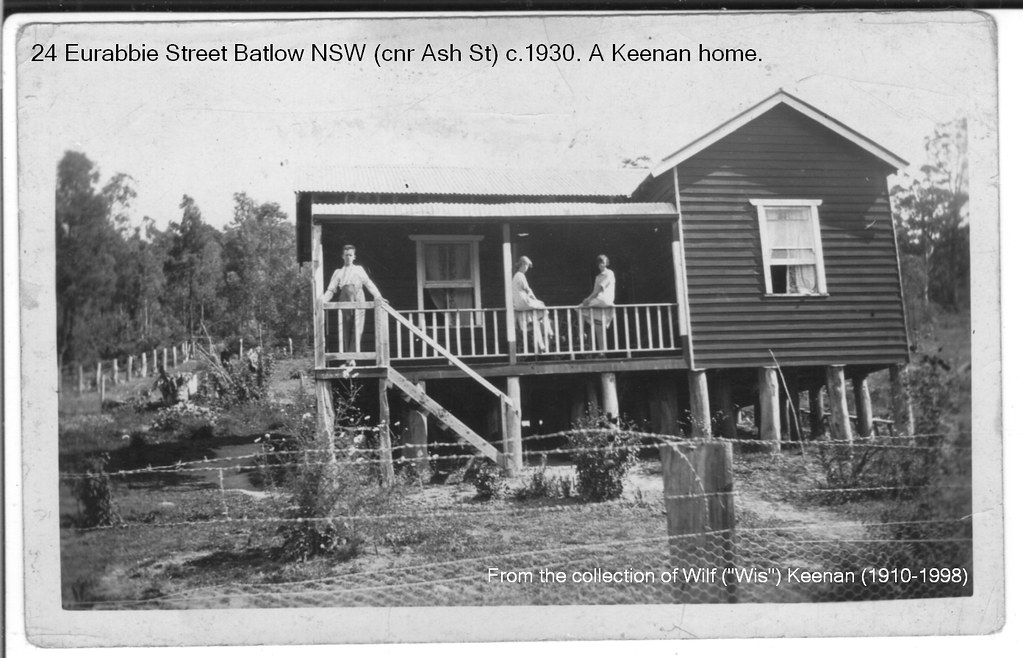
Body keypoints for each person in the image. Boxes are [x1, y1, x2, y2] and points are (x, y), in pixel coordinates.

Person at [324, 245, 386, 363]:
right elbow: (331, 290)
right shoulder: (338, 272)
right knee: (345, 327)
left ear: (354, 257)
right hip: (344, 298)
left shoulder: (359, 269)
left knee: (358, 327)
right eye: (346, 255)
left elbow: (368, 283)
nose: (348, 257)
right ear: (342, 256)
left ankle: (352, 357)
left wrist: (378, 296)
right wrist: (322, 301)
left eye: (350, 255)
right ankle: (348, 357)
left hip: (358, 296)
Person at [512, 256, 554, 353]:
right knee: (542, 305)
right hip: (524, 301)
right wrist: (536, 299)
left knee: (536, 323)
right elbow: (528, 290)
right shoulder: (520, 275)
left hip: (518, 304)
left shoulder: (515, 276)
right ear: (523, 265)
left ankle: (542, 345)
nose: (527, 268)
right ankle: (550, 331)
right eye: (526, 266)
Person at [579, 254, 615, 351]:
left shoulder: (609, 273)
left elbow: (598, 289)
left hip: (604, 299)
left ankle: (581, 334)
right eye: (599, 263)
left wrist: (588, 299)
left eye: (603, 263)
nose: (601, 265)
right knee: (599, 325)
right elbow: (595, 291)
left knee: (579, 308)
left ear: (606, 263)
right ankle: (602, 352)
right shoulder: (598, 277)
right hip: (599, 302)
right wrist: (589, 299)